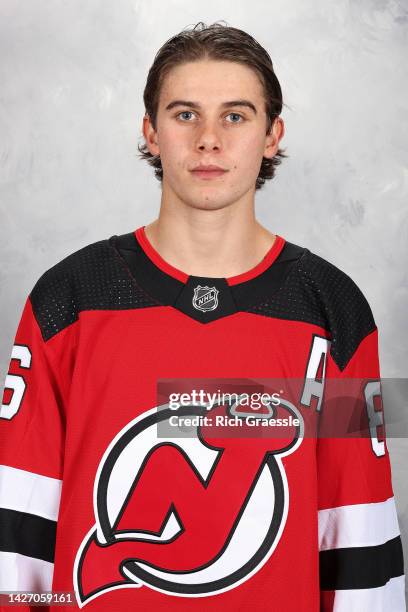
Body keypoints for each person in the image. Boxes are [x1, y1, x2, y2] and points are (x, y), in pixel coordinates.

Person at [0, 21, 405, 612]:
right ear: (151, 132)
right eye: (185, 114)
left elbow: (357, 527)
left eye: (235, 116)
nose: (209, 140)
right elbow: (20, 526)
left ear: (272, 135)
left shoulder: (331, 307)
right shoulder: (71, 299)